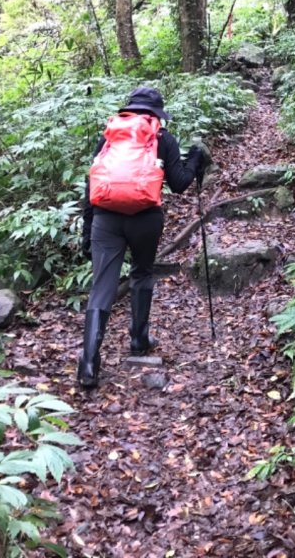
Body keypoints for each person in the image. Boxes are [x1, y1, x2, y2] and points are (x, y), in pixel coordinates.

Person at [78, 86, 208, 389]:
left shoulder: (109, 137)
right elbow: (179, 184)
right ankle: (138, 339)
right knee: (142, 273)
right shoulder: (162, 139)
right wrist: (195, 159)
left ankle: (88, 363)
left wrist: (87, 229)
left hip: (105, 218)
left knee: (102, 287)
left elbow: (93, 183)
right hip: (146, 220)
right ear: (156, 114)